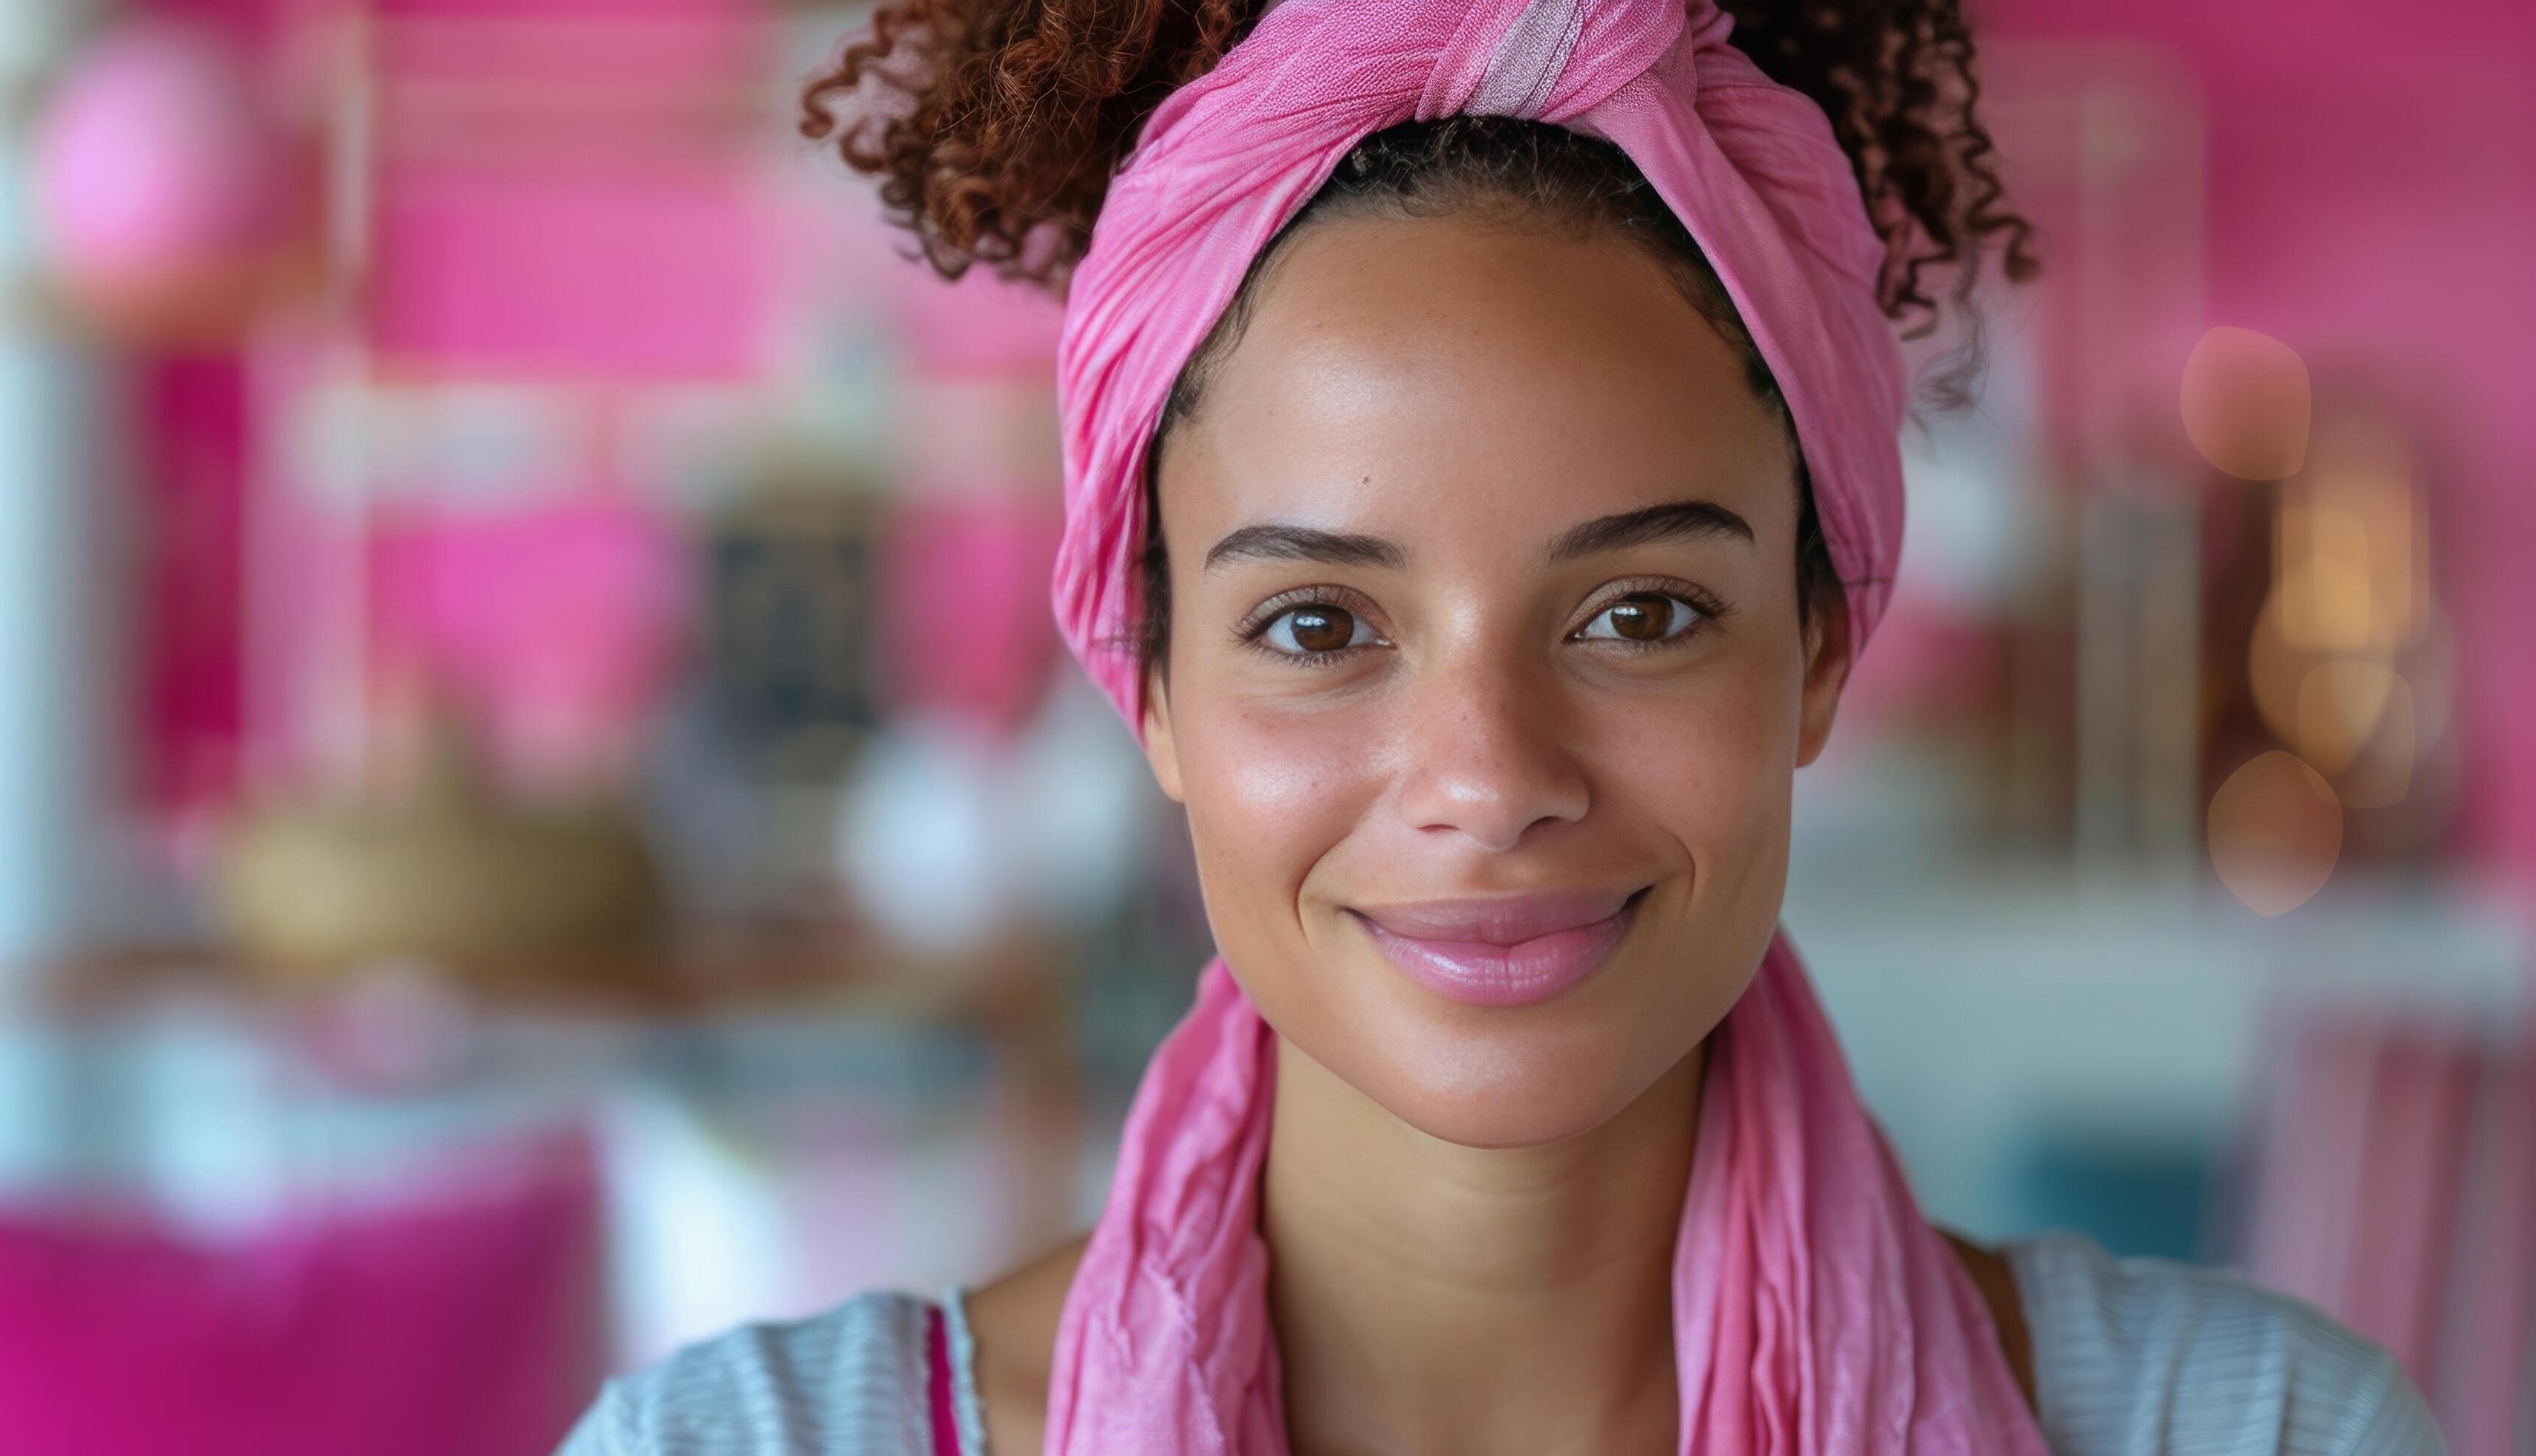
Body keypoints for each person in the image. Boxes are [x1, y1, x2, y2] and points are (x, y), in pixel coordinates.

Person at [561, 0, 2446, 1450]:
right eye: (1317, 622)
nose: (1487, 777)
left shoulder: (2265, 1427)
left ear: (1813, 649)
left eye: (1641, 612)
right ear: (1150, 684)